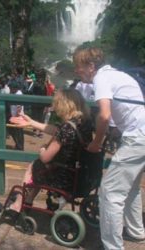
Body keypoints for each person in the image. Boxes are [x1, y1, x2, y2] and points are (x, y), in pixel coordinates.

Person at [73, 47, 145, 249]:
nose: (76, 71)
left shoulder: (101, 79)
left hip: (137, 138)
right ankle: (137, 231)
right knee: (130, 188)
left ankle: (113, 246)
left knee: (110, 192)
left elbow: (104, 115)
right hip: (142, 135)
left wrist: (96, 143)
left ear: (91, 66)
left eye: (78, 67)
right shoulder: (118, 75)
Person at [8, 88, 93, 212]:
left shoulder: (66, 128)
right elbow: (55, 130)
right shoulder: (84, 122)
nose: (54, 106)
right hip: (80, 173)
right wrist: (31, 122)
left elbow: (45, 157)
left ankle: (18, 204)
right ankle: (28, 201)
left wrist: (42, 148)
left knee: (34, 167)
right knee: (41, 169)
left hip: (64, 178)